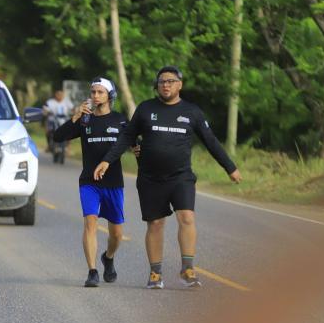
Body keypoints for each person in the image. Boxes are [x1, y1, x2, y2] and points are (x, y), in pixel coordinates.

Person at [93, 66, 242, 289]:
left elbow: (211, 141)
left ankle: (188, 269)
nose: (166, 85)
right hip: (150, 178)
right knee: (155, 223)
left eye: (171, 81)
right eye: (162, 81)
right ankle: (155, 273)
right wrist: (107, 160)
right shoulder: (145, 109)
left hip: (181, 177)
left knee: (187, 218)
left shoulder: (192, 112)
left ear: (180, 84)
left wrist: (230, 167)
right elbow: (126, 137)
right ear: (157, 85)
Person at [54, 77, 131, 287]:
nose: (96, 96)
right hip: (89, 182)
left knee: (116, 233)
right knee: (90, 222)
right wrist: (76, 116)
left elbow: (134, 143)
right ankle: (92, 271)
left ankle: (108, 257)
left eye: (100, 92)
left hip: (114, 183)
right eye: (93, 92)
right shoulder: (85, 120)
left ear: (110, 95)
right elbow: (57, 137)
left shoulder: (120, 121)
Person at [42, 89, 74, 153]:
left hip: (64, 119)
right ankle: (49, 145)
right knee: (48, 130)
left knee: (71, 130)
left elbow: (73, 109)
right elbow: (44, 109)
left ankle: (68, 147)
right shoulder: (50, 102)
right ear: (55, 95)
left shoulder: (67, 102)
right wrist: (46, 112)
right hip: (53, 119)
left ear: (63, 95)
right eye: (58, 94)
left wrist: (74, 111)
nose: (59, 96)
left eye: (61, 94)